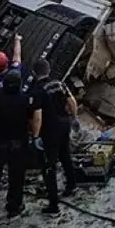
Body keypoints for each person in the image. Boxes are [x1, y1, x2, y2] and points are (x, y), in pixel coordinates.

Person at [0, 70, 42, 219]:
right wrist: (35, 136)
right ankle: (13, 207)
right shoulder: (26, 100)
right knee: (16, 177)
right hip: (19, 143)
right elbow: (35, 119)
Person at [34, 59, 77, 215]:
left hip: (50, 130)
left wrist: (35, 136)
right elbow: (72, 101)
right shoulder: (59, 84)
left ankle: (53, 205)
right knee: (65, 155)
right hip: (64, 125)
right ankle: (72, 185)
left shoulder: (37, 90)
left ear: (34, 73)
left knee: (49, 166)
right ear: (49, 70)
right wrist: (74, 118)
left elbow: (37, 116)